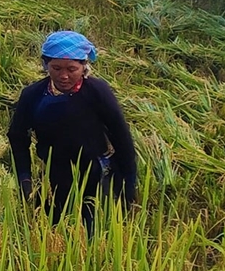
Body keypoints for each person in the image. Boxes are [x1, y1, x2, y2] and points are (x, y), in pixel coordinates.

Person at [9, 31, 138, 234]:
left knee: (97, 232)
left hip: (97, 173)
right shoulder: (33, 95)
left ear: (84, 66)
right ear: (45, 65)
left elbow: (121, 137)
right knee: (57, 232)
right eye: (56, 68)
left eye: (72, 69)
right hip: (55, 177)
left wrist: (129, 182)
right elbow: (17, 137)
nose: (64, 75)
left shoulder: (98, 92)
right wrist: (24, 177)